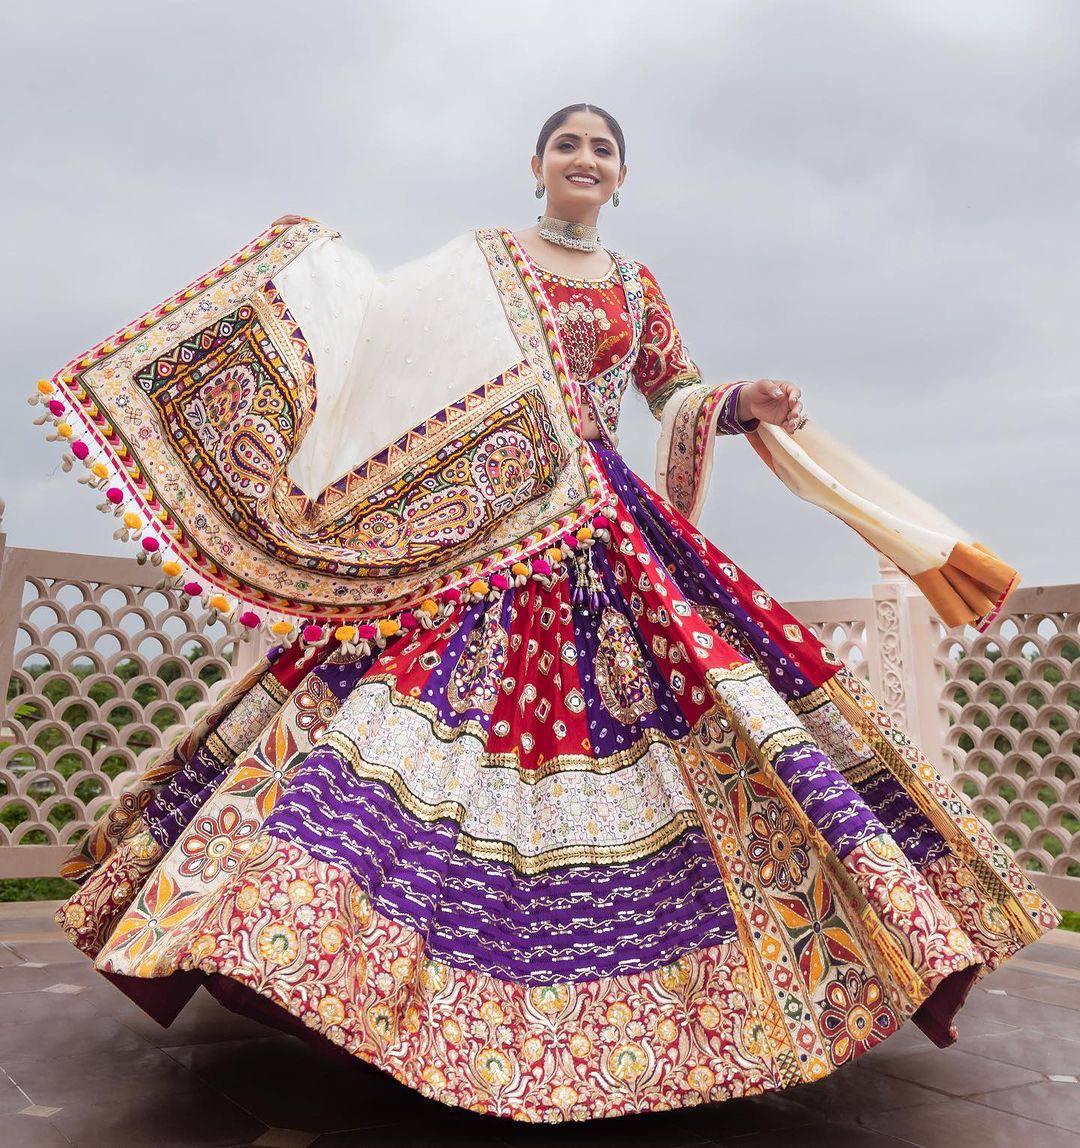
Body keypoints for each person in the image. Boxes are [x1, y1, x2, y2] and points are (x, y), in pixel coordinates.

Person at [36, 103, 1058, 1123]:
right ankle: (329, 965)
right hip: (488, 522)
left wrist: (742, 400)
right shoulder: (483, 263)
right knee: (393, 717)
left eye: (602, 149)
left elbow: (674, 393)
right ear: (536, 164)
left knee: (713, 712)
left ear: (622, 177)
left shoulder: (635, 285)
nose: (584, 158)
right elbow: (395, 349)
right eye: (567, 144)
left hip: (607, 524)